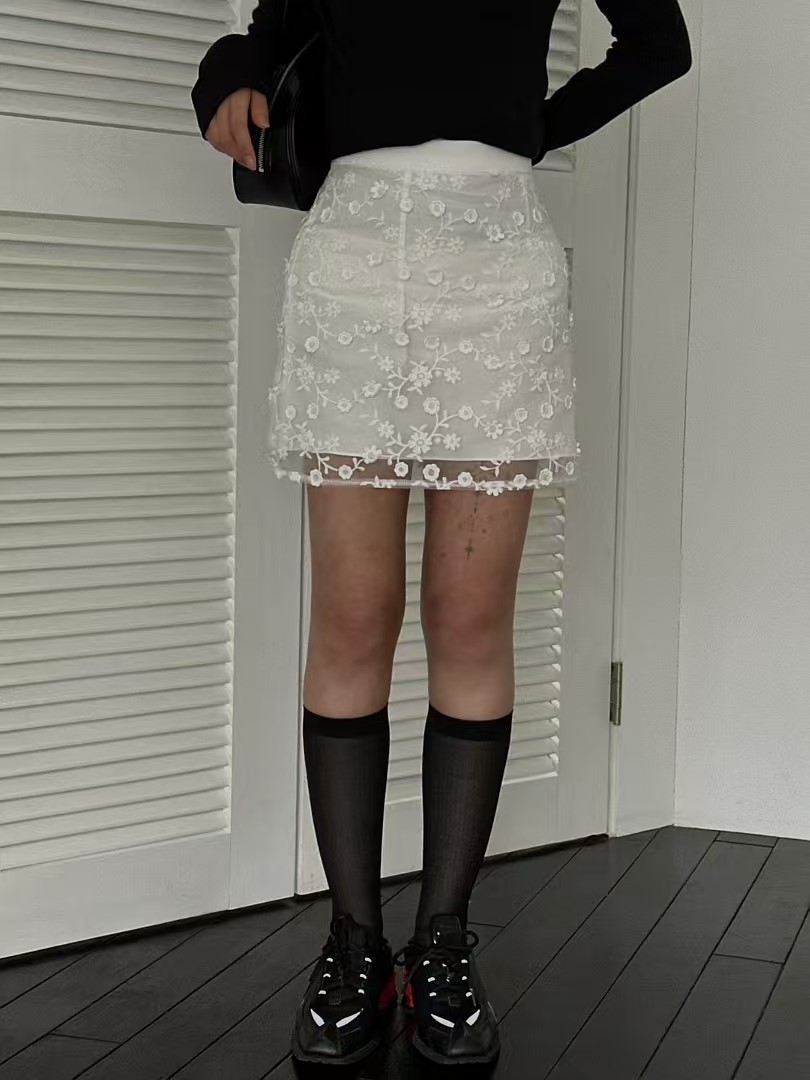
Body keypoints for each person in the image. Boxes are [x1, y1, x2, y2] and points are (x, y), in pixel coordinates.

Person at [191, 0, 691, 1066]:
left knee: (469, 618)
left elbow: (661, 43)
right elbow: (270, 34)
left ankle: (445, 944)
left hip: (498, 261)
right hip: (353, 257)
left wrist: (534, 126)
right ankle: (355, 946)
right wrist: (225, 77)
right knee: (352, 617)